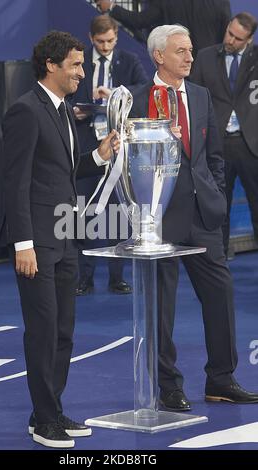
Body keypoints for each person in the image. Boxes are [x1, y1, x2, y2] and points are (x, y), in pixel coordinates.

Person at [129, 24, 258, 411]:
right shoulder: (136, 99)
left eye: (190, 49)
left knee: (220, 295)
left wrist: (216, 194)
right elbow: (126, 162)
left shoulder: (200, 96)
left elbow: (212, 155)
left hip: (204, 216)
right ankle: (169, 386)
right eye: (181, 51)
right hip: (161, 220)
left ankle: (221, 379)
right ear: (158, 56)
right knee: (161, 309)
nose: (190, 57)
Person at [3, 30, 119, 448]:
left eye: (82, 65)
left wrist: (100, 156)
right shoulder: (25, 111)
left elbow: (65, 171)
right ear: (51, 66)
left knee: (64, 330)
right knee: (43, 330)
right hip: (37, 243)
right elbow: (15, 183)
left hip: (67, 237)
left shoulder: (63, 109)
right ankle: (45, 418)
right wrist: (23, 244)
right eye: (75, 65)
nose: (81, 72)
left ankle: (48, 410)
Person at [71, 15, 148, 296]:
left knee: (118, 212)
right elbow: (63, 96)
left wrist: (116, 93)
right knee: (83, 213)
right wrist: (75, 110)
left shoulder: (128, 61)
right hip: (86, 145)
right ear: (92, 38)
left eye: (111, 41)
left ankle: (117, 277)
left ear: (117, 37)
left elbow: (144, 90)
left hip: (119, 146)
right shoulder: (77, 62)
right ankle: (84, 278)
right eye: (101, 41)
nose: (105, 46)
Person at [191, 12, 258, 258]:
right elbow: (194, 98)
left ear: (248, 40)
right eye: (229, 33)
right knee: (219, 208)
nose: (230, 40)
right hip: (217, 145)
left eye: (238, 38)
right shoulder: (205, 56)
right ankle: (219, 257)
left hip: (251, 144)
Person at [94, 0, 232, 57]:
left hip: (176, 61)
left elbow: (141, 20)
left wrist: (112, 7)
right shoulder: (220, 1)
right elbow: (227, 31)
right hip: (211, 65)